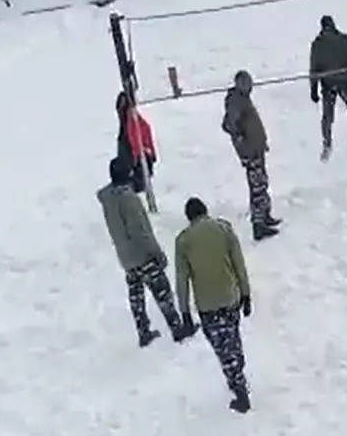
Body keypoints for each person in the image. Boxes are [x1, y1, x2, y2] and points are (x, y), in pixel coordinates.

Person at [97, 157, 192, 347]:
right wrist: (156, 253)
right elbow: (141, 231)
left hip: (125, 256)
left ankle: (143, 330)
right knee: (162, 290)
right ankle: (177, 328)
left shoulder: (108, 201)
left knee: (136, 294)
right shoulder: (128, 198)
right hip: (142, 255)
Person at [175, 197, 253, 414]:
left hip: (207, 306)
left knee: (221, 346)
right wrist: (246, 294)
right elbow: (239, 264)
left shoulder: (183, 241)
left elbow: (182, 279)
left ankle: (238, 387)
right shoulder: (224, 229)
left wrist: (185, 312)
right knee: (233, 337)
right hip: (230, 298)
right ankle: (237, 370)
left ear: (189, 218)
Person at [222, 70, 280, 240]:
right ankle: (258, 224)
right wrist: (243, 142)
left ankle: (265, 215)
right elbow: (228, 125)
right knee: (257, 186)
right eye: (247, 83)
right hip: (250, 151)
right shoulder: (236, 102)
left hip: (256, 148)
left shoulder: (243, 99)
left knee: (262, 182)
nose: (250, 86)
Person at [310, 15, 347, 160]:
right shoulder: (336, 41)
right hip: (337, 83)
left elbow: (314, 68)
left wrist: (314, 88)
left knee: (334, 117)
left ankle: (330, 145)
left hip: (336, 83)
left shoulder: (323, 43)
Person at [115, 91, 156, 194]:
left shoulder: (134, 122)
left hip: (139, 162)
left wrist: (142, 154)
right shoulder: (128, 123)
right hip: (136, 162)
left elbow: (141, 136)